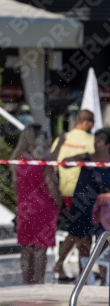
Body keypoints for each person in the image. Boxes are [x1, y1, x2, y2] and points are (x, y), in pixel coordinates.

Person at [11, 124, 62, 285]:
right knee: (40, 249)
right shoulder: (43, 162)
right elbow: (52, 187)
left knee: (26, 248)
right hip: (44, 209)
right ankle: (38, 283)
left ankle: (26, 283)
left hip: (25, 208)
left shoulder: (18, 159)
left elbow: (14, 186)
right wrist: (60, 204)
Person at [52, 109, 95, 281]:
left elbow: (54, 164)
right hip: (83, 191)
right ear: (87, 123)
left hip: (63, 190)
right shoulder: (91, 141)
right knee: (82, 232)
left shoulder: (63, 139)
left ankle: (70, 266)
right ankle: (83, 270)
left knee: (75, 231)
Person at [63, 128, 110, 284]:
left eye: (99, 141)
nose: (95, 144)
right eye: (94, 141)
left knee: (103, 244)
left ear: (108, 144)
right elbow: (65, 164)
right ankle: (84, 278)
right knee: (83, 242)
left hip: (104, 210)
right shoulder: (86, 157)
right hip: (83, 206)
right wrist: (79, 161)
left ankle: (104, 279)